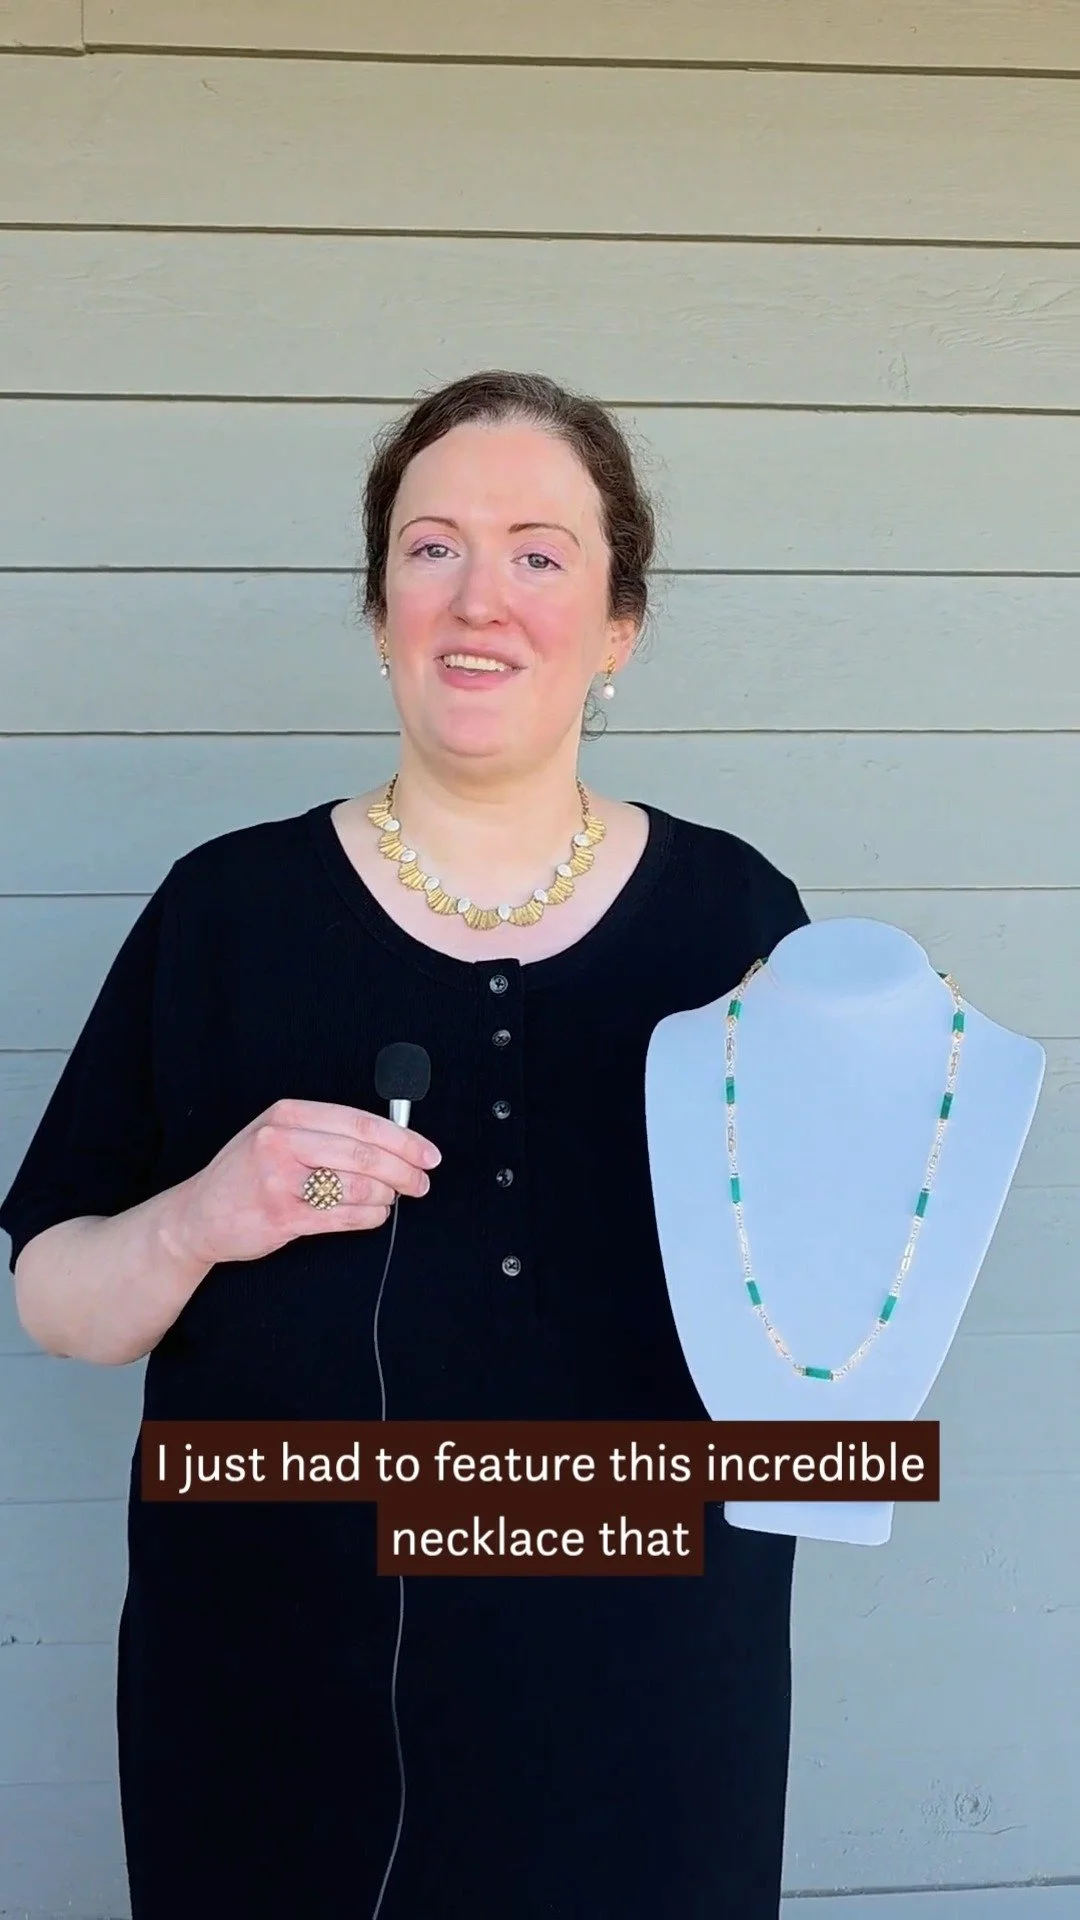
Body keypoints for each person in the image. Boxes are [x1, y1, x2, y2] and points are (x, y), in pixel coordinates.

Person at [1, 369, 810, 1919]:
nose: (478, 597)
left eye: (539, 553)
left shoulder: (737, 921)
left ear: (619, 625)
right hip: (272, 1704)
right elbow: (58, 1297)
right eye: (432, 548)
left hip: (646, 1700)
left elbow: (838, 1298)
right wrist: (202, 1214)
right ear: (380, 611)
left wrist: (896, 1101)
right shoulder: (227, 913)